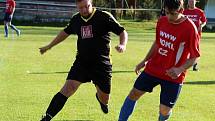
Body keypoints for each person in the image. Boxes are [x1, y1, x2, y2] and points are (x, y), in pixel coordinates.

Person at [39, 0, 128, 120]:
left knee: (105, 98)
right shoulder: (76, 19)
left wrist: (123, 44)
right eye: (81, 8)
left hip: (102, 64)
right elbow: (65, 32)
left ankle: (101, 99)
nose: (84, 10)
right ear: (77, 6)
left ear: (91, 4)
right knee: (68, 88)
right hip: (82, 62)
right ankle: (47, 117)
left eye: (87, 6)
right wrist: (49, 46)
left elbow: (122, 31)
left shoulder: (104, 16)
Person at [118, 0, 200, 121]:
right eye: (166, 12)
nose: (168, 16)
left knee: (164, 110)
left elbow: (194, 56)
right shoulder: (162, 21)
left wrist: (179, 69)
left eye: (172, 14)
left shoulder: (190, 28)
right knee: (133, 94)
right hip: (153, 69)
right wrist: (145, 60)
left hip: (173, 75)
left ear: (181, 11)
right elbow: (158, 42)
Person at [183, 0, 207, 71]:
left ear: (195, 2)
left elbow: (204, 21)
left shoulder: (200, 12)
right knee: (184, 49)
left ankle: (195, 65)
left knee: (195, 50)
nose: (191, 3)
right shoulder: (184, 12)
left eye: (193, 1)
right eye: (190, 1)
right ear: (188, 2)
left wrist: (201, 25)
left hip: (196, 35)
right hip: (186, 34)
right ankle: (183, 64)